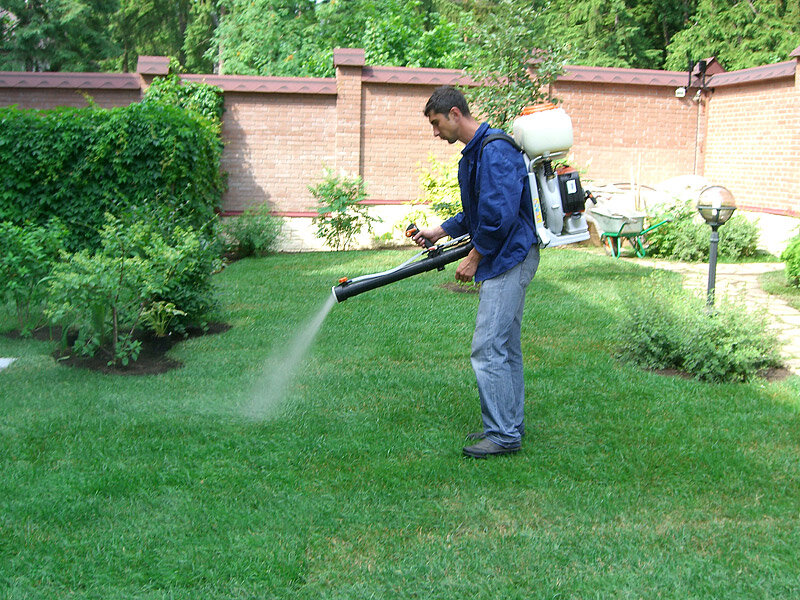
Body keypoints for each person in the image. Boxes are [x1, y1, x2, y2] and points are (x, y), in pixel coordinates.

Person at [413, 85, 539, 458]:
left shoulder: (495, 151)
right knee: (505, 346)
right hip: (504, 255)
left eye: (437, 123)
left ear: (455, 114)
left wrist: (474, 257)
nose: (436, 133)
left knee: (487, 347)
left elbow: (498, 218)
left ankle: (502, 435)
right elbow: (475, 214)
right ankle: (509, 424)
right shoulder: (474, 155)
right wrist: (438, 231)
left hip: (510, 256)